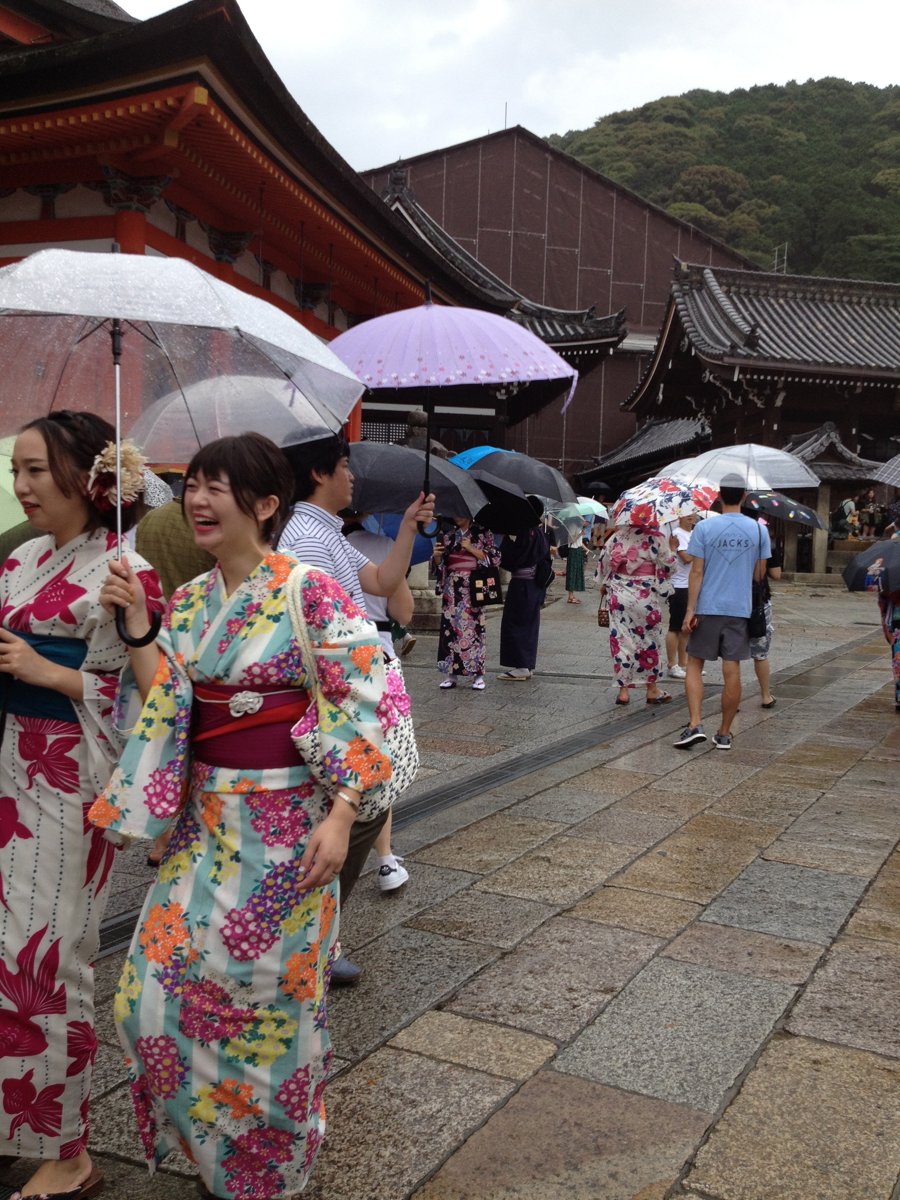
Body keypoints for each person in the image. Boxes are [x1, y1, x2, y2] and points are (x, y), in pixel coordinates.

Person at [91, 433, 392, 1200]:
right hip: (204, 828)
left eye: (216, 486)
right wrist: (136, 626)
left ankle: (267, 1169)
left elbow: (371, 697)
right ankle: (213, 1144)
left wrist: (344, 811)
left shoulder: (308, 591)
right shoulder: (190, 600)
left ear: (263, 506)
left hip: (291, 827)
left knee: (268, 1012)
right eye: (192, 483)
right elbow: (170, 701)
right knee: (147, 1002)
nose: (196, 498)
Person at [0, 411, 162, 1200]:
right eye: (17, 471)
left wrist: (48, 671)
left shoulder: (124, 571)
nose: (23, 485)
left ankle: (68, 1152)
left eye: (37, 470)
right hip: (6, 769)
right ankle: (15, 1122)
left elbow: (151, 699)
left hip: (69, 778)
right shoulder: (24, 559)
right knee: (3, 953)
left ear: (86, 476)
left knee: (49, 959)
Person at [277, 435, 433, 983]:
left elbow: (382, 583)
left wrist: (409, 524)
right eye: (344, 467)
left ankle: (320, 937)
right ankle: (313, 940)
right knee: (352, 811)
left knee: (361, 807)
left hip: (356, 682)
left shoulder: (326, 533)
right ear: (320, 473)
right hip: (341, 689)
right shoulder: (306, 538)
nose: (352, 478)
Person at [343, 515, 414, 893]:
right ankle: (385, 861)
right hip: (375, 657)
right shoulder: (384, 547)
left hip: (328, 662)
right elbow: (403, 612)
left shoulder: (314, 541)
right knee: (377, 759)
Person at [674, 474, 770, 751]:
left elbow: (697, 571)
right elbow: (760, 574)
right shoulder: (759, 530)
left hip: (707, 607)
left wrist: (690, 609)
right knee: (733, 670)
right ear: (743, 496)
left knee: (694, 664)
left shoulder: (704, 528)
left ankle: (694, 724)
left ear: (718, 495)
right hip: (740, 609)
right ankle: (725, 734)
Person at [595, 523, 676, 706]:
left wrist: (605, 584)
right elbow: (670, 567)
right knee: (649, 640)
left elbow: (604, 564)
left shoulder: (617, 536)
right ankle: (652, 690)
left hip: (619, 594)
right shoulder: (656, 537)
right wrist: (672, 548)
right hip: (644, 596)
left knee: (622, 642)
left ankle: (624, 692)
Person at [435, 517, 500, 690]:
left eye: (460, 513)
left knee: (475, 630)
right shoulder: (449, 535)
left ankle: (478, 675)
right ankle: (451, 674)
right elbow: (442, 564)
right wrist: (436, 558)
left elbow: (495, 558)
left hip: (473, 587)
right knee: (450, 630)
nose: (457, 516)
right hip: (452, 587)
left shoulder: (483, 533)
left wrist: (471, 548)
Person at [497, 497, 551, 681]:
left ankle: (521, 666)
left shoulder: (524, 532)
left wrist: (506, 542)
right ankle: (527, 664)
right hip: (534, 586)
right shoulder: (538, 532)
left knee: (516, 623)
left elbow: (513, 561)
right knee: (529, 624)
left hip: (522, 584)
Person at [744, 516, 783, 709]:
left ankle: (731, 696)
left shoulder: (732, 536)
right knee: (760, 651)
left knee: (731, 653)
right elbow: (775, 575)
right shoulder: (765, 539)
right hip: (758, 600)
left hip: (732, 598)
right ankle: (766, 695)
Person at [665, 513, 697, 679]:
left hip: (690, 584)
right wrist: (700, 550)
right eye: (687, 515)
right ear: (680, 517)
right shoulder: (677, 534)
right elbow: (686, 558)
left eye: (694, 513)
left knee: (686, 627)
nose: (691, 517)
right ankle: (672, 664)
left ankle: (683, 663)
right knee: (676, 626)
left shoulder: (693, 534)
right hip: (679, 585)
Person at [565, 519, 587, 604]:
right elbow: (572, 540)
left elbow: (580, 543)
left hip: (578, 550)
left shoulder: (579, 527)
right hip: (573, 551)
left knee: (577, 572)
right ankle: (570, 596)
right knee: (572, 572)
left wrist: (587, 550)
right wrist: (580, 534)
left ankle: (572, 595)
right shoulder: (572, 526)